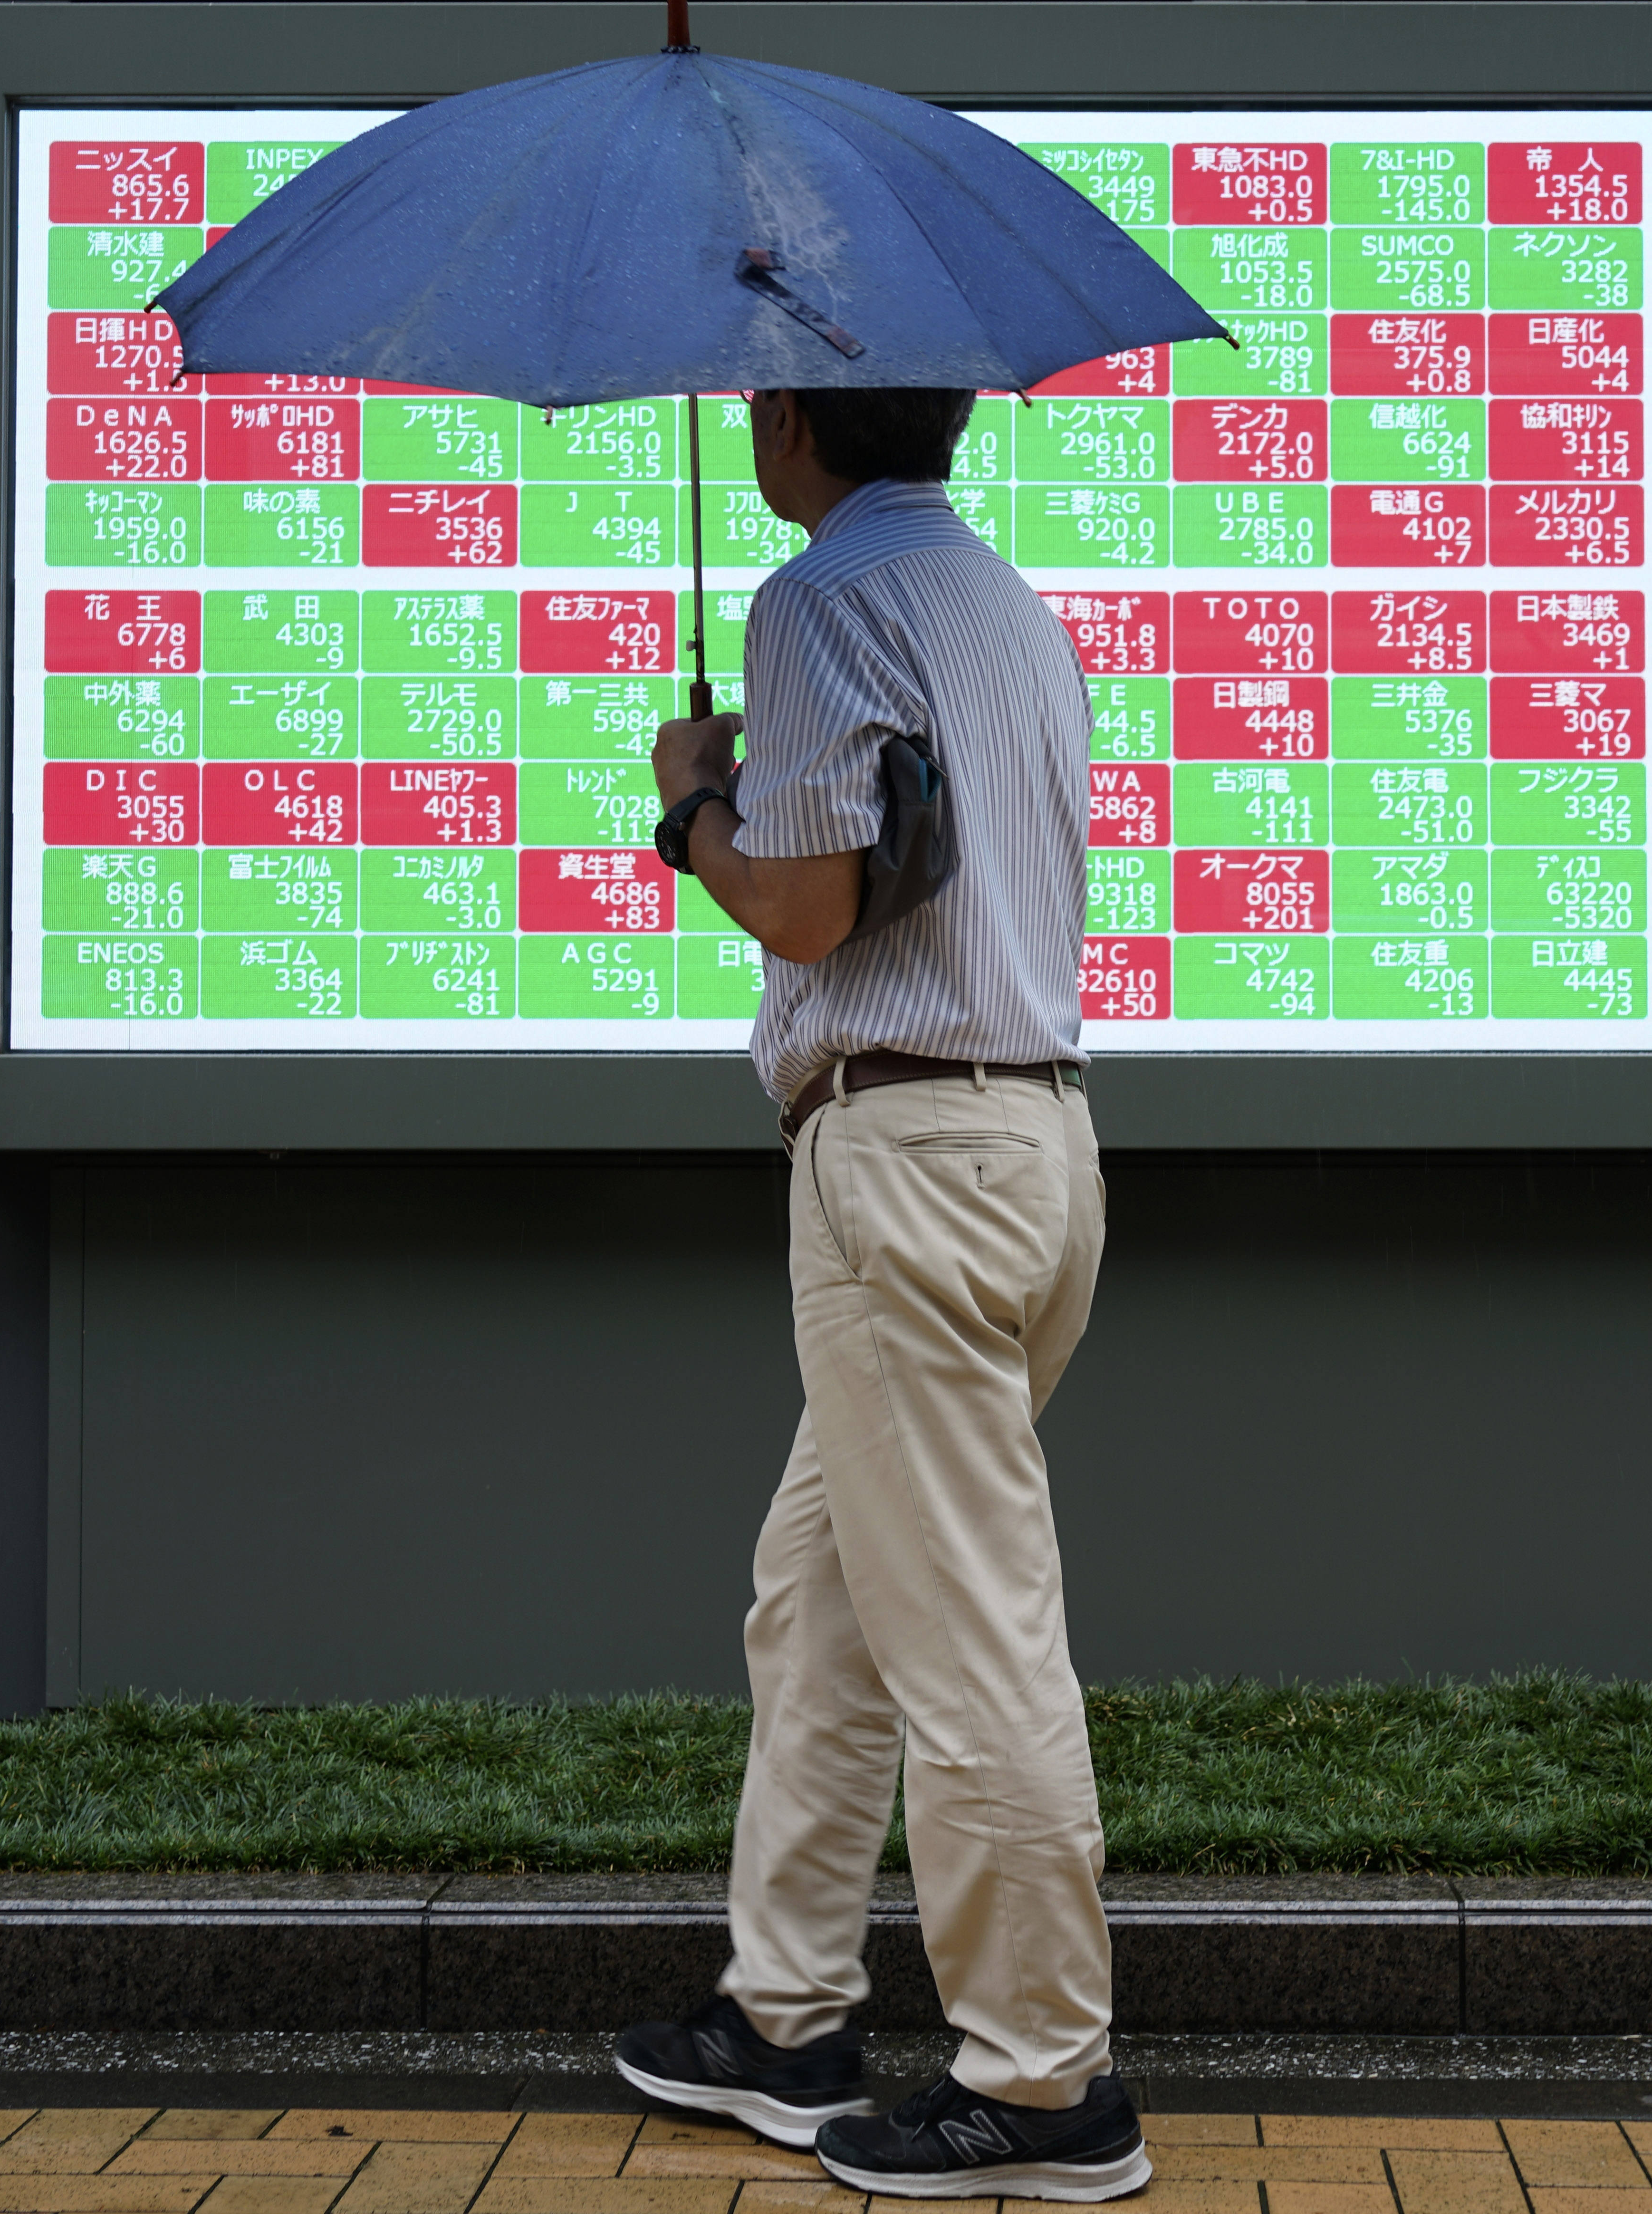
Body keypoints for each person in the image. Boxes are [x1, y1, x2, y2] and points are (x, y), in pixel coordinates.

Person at [612, 386, 1141, 2204]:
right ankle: (783, 2017)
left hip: (903, 1160)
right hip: (1035, 1151)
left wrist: (693, 811)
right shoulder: (1006, 606)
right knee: (820, 1601)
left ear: (785, 423)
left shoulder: (823, 600)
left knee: (969, 1637)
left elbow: (819, 909)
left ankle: (1045, 2083)